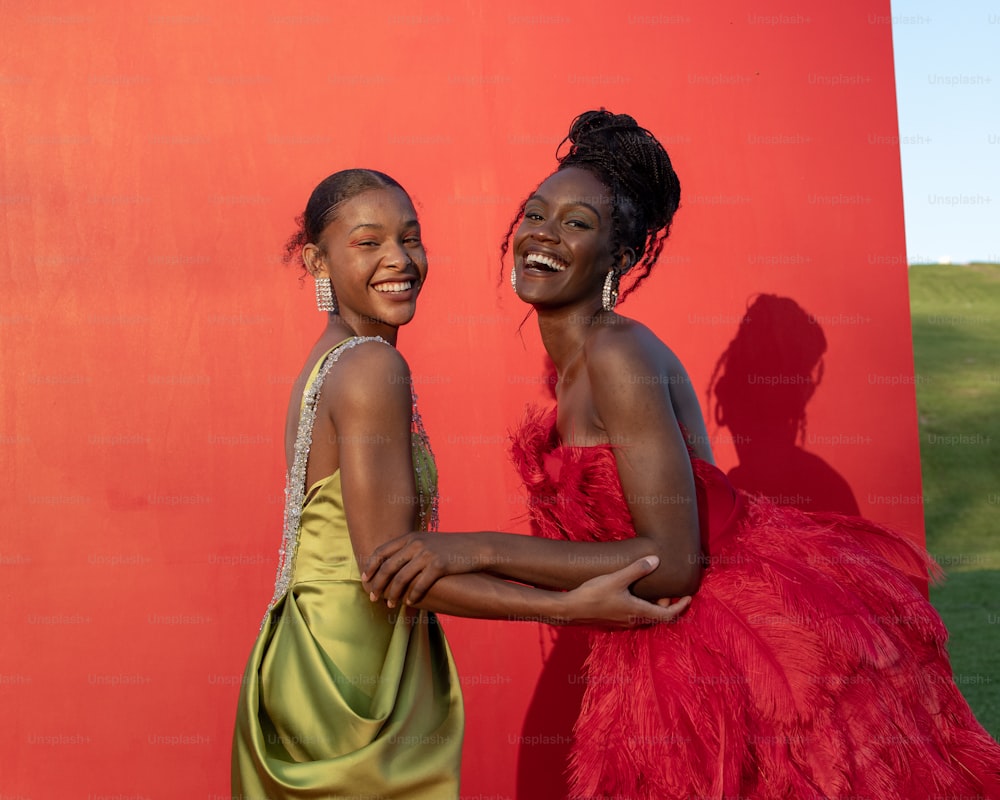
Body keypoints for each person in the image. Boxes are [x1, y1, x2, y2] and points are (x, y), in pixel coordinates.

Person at [362, 113, 1000, 799]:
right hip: (660, 637)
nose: (543, 233)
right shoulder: (578, 365)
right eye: (536, 213)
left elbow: (672, 560)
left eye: (577, 224)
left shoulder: (617, 353)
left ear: (621, 258)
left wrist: (470, 548)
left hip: (728, 644)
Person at [230, 168, 690, 800]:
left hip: (308, 658)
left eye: (411, 238)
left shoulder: (332, 355)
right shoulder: (371, 365)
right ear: (318, 260)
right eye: (368, 242)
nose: (399, 259)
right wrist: (563, 608)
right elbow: (387, 569)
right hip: (355, 681)